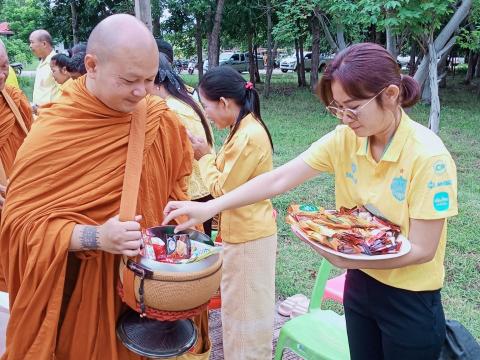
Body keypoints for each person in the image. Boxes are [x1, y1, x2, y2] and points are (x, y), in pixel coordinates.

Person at [163, 43, 458, 360]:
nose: (345, 118)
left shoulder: (429, 157)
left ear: (390, 95)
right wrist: (210, 207)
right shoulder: (345, 138)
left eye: (353, 107)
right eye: (338, 108)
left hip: (409, 298)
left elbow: (424, 249)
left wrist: (349, 260)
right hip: (359, 288)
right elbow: (278, 179)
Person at [0, 14, 210, 359]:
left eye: (149, 79)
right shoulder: (56, 130)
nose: (142, 91)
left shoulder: (159, 118)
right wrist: (98, 237)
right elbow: (20, 227)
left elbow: (174, 189)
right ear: (92, 65)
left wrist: (184, 221)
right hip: (86, 298)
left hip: (155, 298)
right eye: (129, 80)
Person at [174, 65, 277, 359]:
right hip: (240, 234)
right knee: (236, 314)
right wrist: (208, 151)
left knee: (247, 319)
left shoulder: (249, 135)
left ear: (223, 102)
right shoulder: (240, 127)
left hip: (250, 239)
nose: (206, 114)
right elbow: (227, 171)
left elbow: (222, 189)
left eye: (206, 107)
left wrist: (204, 155)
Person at [151, 53, 215, 236]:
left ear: (156, 82)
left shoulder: (170, 110)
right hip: (204, 185)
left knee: (189, 247)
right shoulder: (186, 100)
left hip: (191, 191)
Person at [0, 40, 33, 291]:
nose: (2, 75)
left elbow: (33, 142)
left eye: (5, 66)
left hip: (20, 203)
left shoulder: (13, 99)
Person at [29, 29, 60, 111]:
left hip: (50, 116)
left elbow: (63, 92)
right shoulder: (42, 62)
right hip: (39, 114)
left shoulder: (56, 62)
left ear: (44, 44)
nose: (30, 46)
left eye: (32, 42)